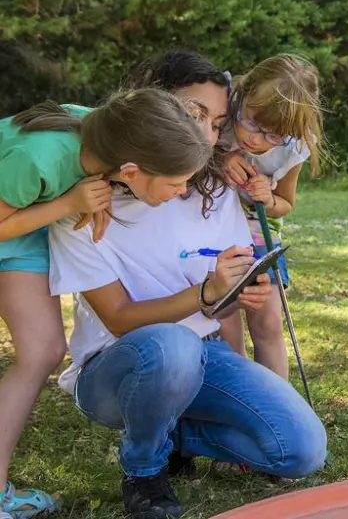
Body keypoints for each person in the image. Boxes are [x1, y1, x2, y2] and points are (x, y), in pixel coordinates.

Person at [47, 60, 328, 519]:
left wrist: (237, 291)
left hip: (202, 354)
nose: (208, 138)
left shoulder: (214, 188)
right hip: (113, 369)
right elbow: (118, 316)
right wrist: (204, 294)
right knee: (172, 343)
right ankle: (144, 470)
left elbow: (220, 293)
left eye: (217, 124)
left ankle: (171, 431)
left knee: (302, 451)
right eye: (194, 115)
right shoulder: (85, 202)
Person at [0, 87, 210, 519]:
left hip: (22, 228)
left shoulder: (115, 133)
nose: (183, 191)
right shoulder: (37, 158)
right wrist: (69, 201)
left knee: (42, 351)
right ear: (130, 171)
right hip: (9, 221)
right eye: (176, 183)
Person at [217, 53, 326, 380]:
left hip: (259, 241)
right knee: (222, 318)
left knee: (267, 324)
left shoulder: (294, 147)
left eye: (271, 136)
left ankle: (278, 403)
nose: (255, 139)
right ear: (244, 92)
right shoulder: (218, 113)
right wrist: (219, 158)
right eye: (251, 123)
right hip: (215, 239)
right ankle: (236, 394)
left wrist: (267, 196)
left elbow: (285, 204)